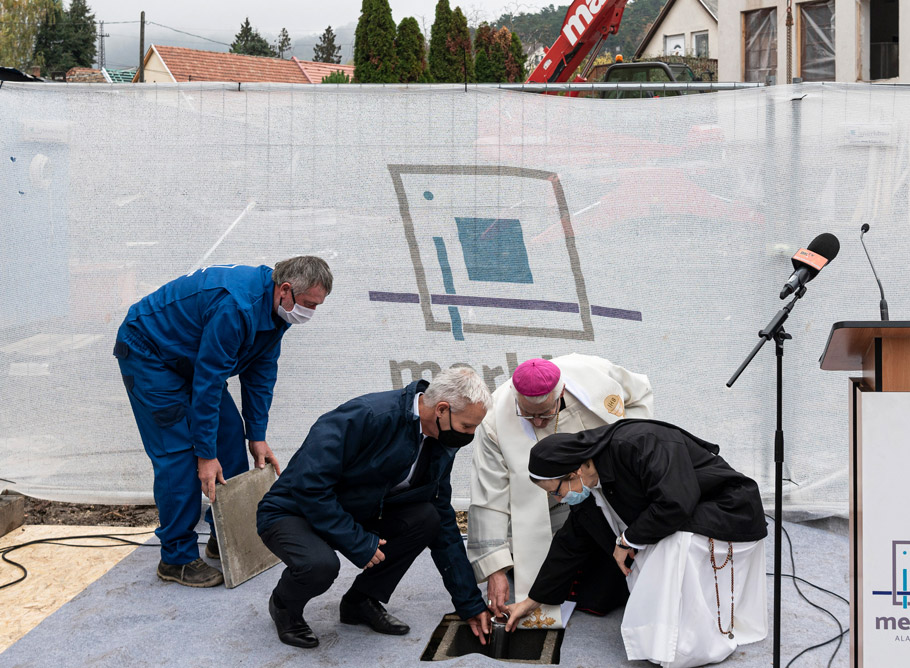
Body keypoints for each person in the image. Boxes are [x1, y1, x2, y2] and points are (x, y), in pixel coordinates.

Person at [114, 256, 331, 588]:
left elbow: (261, 372)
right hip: (150, 354)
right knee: (177, 456)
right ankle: (176, 558)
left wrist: (256, 435)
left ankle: (224, 535)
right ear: (285, 289)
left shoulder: (276, 310)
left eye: (317, 306)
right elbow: (210, 380)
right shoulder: (236, 306)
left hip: (189, 356)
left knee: (230, 438)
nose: (311, 313)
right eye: (308, 304)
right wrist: (204, 455)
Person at [256, 366, 492, 649]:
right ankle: (284, 606)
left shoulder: (442, 441)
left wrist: (470, 604)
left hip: (358, 511)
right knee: (319, 566)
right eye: (467, 427)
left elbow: (442, 518)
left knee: (427, 518)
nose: (471, 435)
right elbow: (309, 487)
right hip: (292, 511)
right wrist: (356, 541)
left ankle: (361, 601)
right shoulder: (367, 415)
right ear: (441, 409)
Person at [506, 420, 768, 668]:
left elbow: (676, 502)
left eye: (556, 491)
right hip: (690, 513)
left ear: (577, 470)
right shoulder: (587, 488)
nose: (559, 499)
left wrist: (626, 540)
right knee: (651, 549)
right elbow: (569, 545)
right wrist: (532, 601)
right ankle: (664, 637)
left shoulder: (638, 444)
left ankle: (692, 644)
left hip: (730, 508)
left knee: (670, 542)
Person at [468, 355, 654, 626]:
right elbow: (489, 498)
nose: (539, 422)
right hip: (546, 508)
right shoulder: (495, 418)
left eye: (545, 413)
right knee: (551, 562)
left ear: (561, 393)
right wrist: (495, 570)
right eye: (528, 414)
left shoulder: (595, 376)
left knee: (612, 573)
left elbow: (640, 397)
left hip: (604, 489)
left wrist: (623, 450)